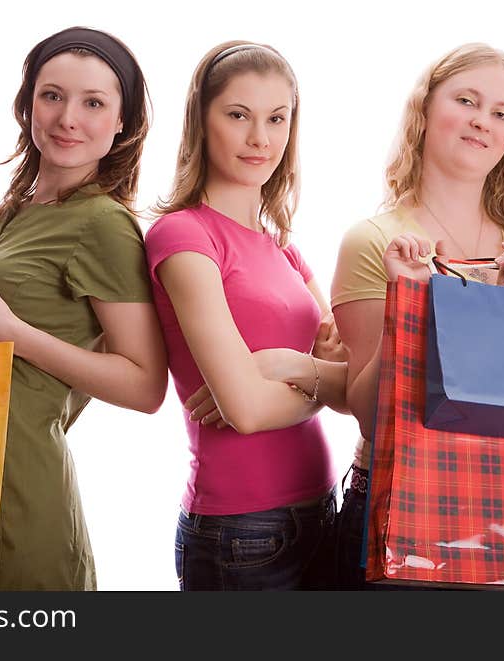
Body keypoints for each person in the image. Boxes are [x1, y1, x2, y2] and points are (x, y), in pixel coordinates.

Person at [330, 43, 504, 589]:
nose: (481, 122)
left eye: (500, 113)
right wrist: (408, 301)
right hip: (401, 507)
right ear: (424, 110)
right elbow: (369, 412)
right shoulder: (373, 241)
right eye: (466, 100)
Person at [0, 27, 168, 590]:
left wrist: (12, 331)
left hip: (16, 487)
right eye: (52, 95)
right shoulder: (14, 209)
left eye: (93, 103)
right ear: (27, 105)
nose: (68, 118)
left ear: (121, 124)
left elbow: (145, 386)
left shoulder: (103, 224)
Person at [144, 41, 355, 591]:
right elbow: (246, 411)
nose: (261, 138)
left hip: (319, 507)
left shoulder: (283, 248)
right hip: (240, 533)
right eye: (238, 115)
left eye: (276, 118)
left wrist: (278, 364)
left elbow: (355, 388)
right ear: (202, 120)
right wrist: (312, 378)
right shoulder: (184, 236)